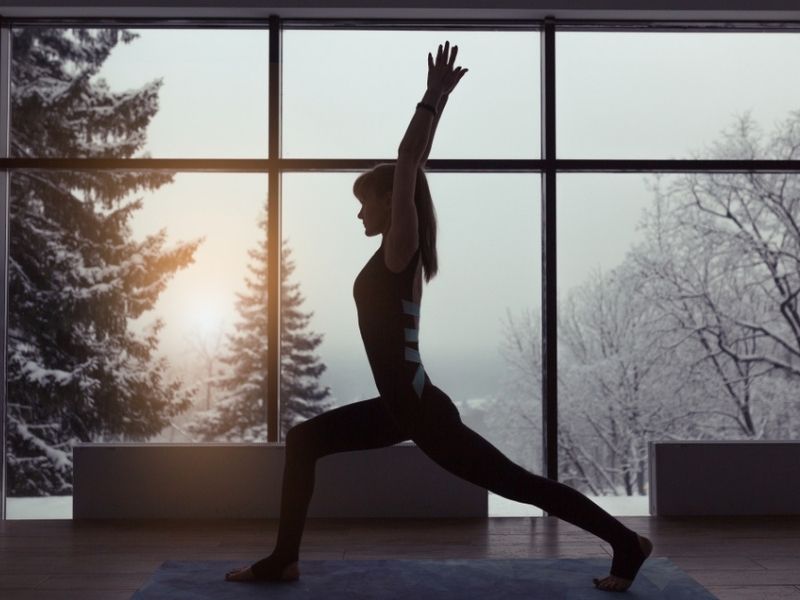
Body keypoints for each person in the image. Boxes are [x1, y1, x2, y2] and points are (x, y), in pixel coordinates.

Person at [225, 41, 653, 593]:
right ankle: (284, 559)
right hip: (402, 407)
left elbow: (409, 163)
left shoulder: (400, 249)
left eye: (366, 200)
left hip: (420, 411)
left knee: (517, 484)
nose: (359, 210)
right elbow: (412, 166)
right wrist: (439, 101)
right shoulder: (394, 254)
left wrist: (432, 96)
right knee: (304, 440)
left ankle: (625, 543)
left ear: (390, 202)